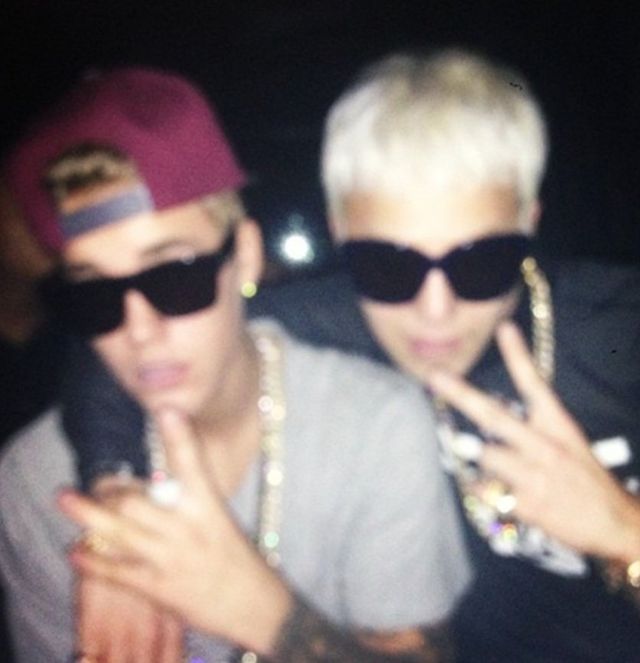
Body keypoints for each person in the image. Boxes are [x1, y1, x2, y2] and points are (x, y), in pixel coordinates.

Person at [44, 48, 640, 662]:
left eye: (480, 262)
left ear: (529, 224)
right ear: (339, 234)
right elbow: (125, 336)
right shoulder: (326, 320)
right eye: (388, 265)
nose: (434, 310)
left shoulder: (621, 333)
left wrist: (625, 529)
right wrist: (119, 506)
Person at [0, 66, 471, 663]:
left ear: (245, 257)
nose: (139, 331)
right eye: (94, 295)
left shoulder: (376, 426)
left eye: (175, 278)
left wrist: (265, 615)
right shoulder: (37, 483)